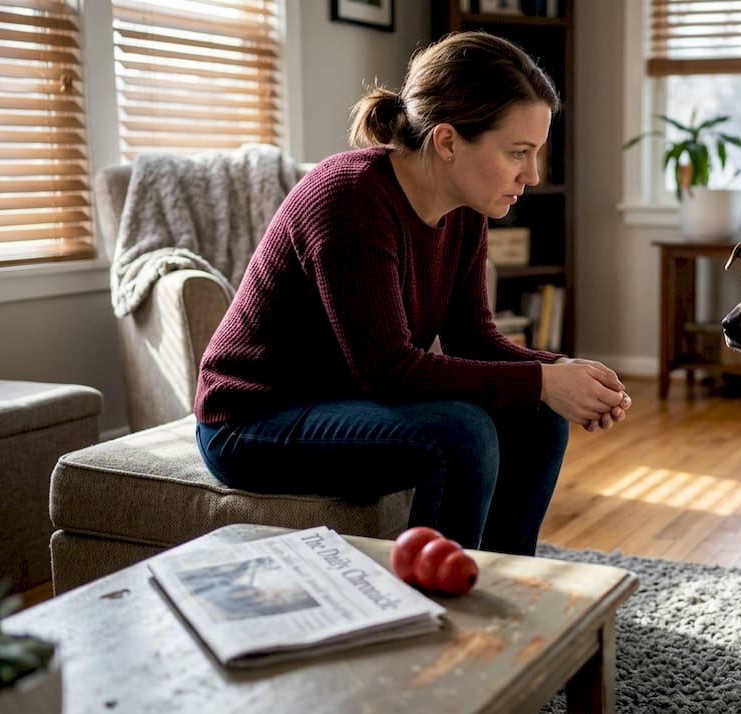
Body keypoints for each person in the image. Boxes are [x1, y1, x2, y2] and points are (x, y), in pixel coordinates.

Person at [193, 31, 630, 557]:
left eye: (535, 153)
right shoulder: (349, 200)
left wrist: (564, 371)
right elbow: (388, 370)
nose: (531, 175)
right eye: (518, 152)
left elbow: (473, 338)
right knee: (461, 432)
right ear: (447, 142)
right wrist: (540, 379)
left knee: (539, 417)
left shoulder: (467, 209)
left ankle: (504, 586)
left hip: (344, 396)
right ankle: (436, 610)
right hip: (252, 420)